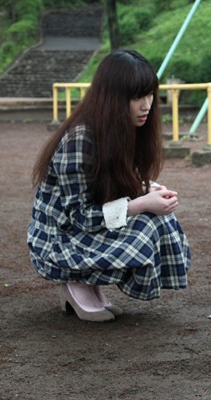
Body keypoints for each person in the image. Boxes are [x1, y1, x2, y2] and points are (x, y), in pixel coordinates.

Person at [27, 49, 191, 322]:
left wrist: (144, 190)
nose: (146, 105)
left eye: (150, 95)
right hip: (57, 243)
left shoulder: (120, 131)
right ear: (112, 98)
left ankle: (88, 282)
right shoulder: (80, 140)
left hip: (82, 233)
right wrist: (140, 203)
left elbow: (110, 190)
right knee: (144, 226)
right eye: (136, 97)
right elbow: (80, 216)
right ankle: (75, 280)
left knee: (159, 218)